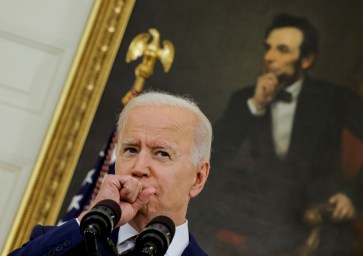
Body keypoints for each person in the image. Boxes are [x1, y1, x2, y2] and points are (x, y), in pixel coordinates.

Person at [203, 13, 363, 255]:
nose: (269, 57)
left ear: (306, 59)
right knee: (196, 209)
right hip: (253, 204)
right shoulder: (244, 98)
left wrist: (354, 196)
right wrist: (255, 106)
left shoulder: (335, 99)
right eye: (268, 48)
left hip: (309, 209)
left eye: (282, 50)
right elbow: (212, 154)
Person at [8, 91, 213, 256]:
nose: (139, 168)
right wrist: (89, 221)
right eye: (131, 149)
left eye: (162, 153)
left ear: (198, 178)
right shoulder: (65, 242)